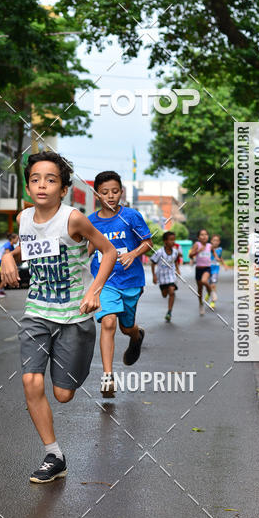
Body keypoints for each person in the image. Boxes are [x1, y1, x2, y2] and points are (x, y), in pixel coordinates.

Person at [0, 151, 117, 484]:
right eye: (35, 179)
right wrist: (9, 255)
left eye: (51, 180)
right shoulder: (24, 219)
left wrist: (94, 290)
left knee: (63, 395)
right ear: (27, 186)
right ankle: (54, 455)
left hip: (74, 316)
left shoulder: (74, 219)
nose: (42, 185)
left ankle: (74, 369)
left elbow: (108, 252)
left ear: (63, 189)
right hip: (37, 311)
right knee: (30, 380)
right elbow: (34, 246)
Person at [87, 170, 152, 398]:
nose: (111, 196)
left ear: (121, 192)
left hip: (131, 281)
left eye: (115, 191)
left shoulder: (131, 216)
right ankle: (107, 377)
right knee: (108, 322)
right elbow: (88, 249)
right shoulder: (91, 221)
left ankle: (136, 336)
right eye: (105, 192)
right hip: (104, 282)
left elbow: (148, 242)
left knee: (126, 327)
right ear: (97, 194)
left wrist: (134, 254)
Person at [151, 230, 182, 322]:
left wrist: (177, 269)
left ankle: (169, 312)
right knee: (165, 295)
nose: (173, 242)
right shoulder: (159, 252)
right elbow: (153, 263)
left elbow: (175, 260)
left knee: (172, 291)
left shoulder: (175, 252)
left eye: (174, 240)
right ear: (165, 241)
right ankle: (165, 291)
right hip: (162, 277)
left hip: (171, 275)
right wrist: (154, 276)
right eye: (171, 240)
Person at [189, 229, 213, 315]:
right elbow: (190, 255)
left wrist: (217, 258)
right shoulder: (197, 244)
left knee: (204, 281)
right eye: (202, 235)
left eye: (206, 234)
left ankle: (210, 291)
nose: (204, 236)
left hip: (207, 268)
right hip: (199, 268)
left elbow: (214, 253)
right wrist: (198, 251)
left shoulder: (210, 245)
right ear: (198, 237)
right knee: (200, 289)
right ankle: (201, 304)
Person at [208, 233, 226, 307]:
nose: (215, 242)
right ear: (211, 241)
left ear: (219, 242)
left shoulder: (220, 249)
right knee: (209, 285)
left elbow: (220, 257)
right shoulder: (208, 248)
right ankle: (209, 293)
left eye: (217, 241)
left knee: (213, 284)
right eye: (214, 240)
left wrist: (224, 264)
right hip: (208, 269)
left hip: (216, 269)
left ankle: (213, 301)